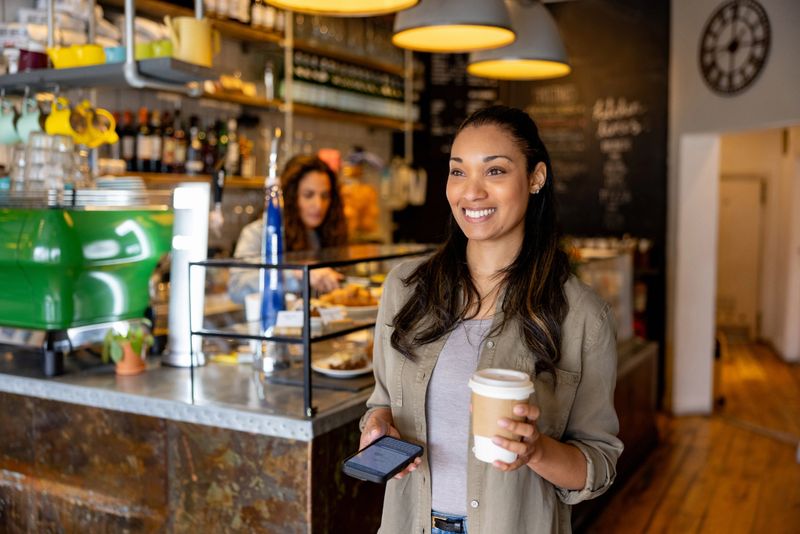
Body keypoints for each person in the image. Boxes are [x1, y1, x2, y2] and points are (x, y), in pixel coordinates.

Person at [359, 105, 622, 534]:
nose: (471, 192)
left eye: (495, 172)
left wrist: (535, 451)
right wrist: (377, 426)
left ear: (535, 177)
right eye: (458, 172)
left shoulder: (581, 314)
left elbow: (598, 464)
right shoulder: (404, 289)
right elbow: (381, 402)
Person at [228, 155, 348, 303]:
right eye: (308, 195)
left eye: (325, 196)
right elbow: (237, 288)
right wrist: (298, 274)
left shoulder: (322, 233)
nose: (318, 205)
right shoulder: (257, 232)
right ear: (291, 197)